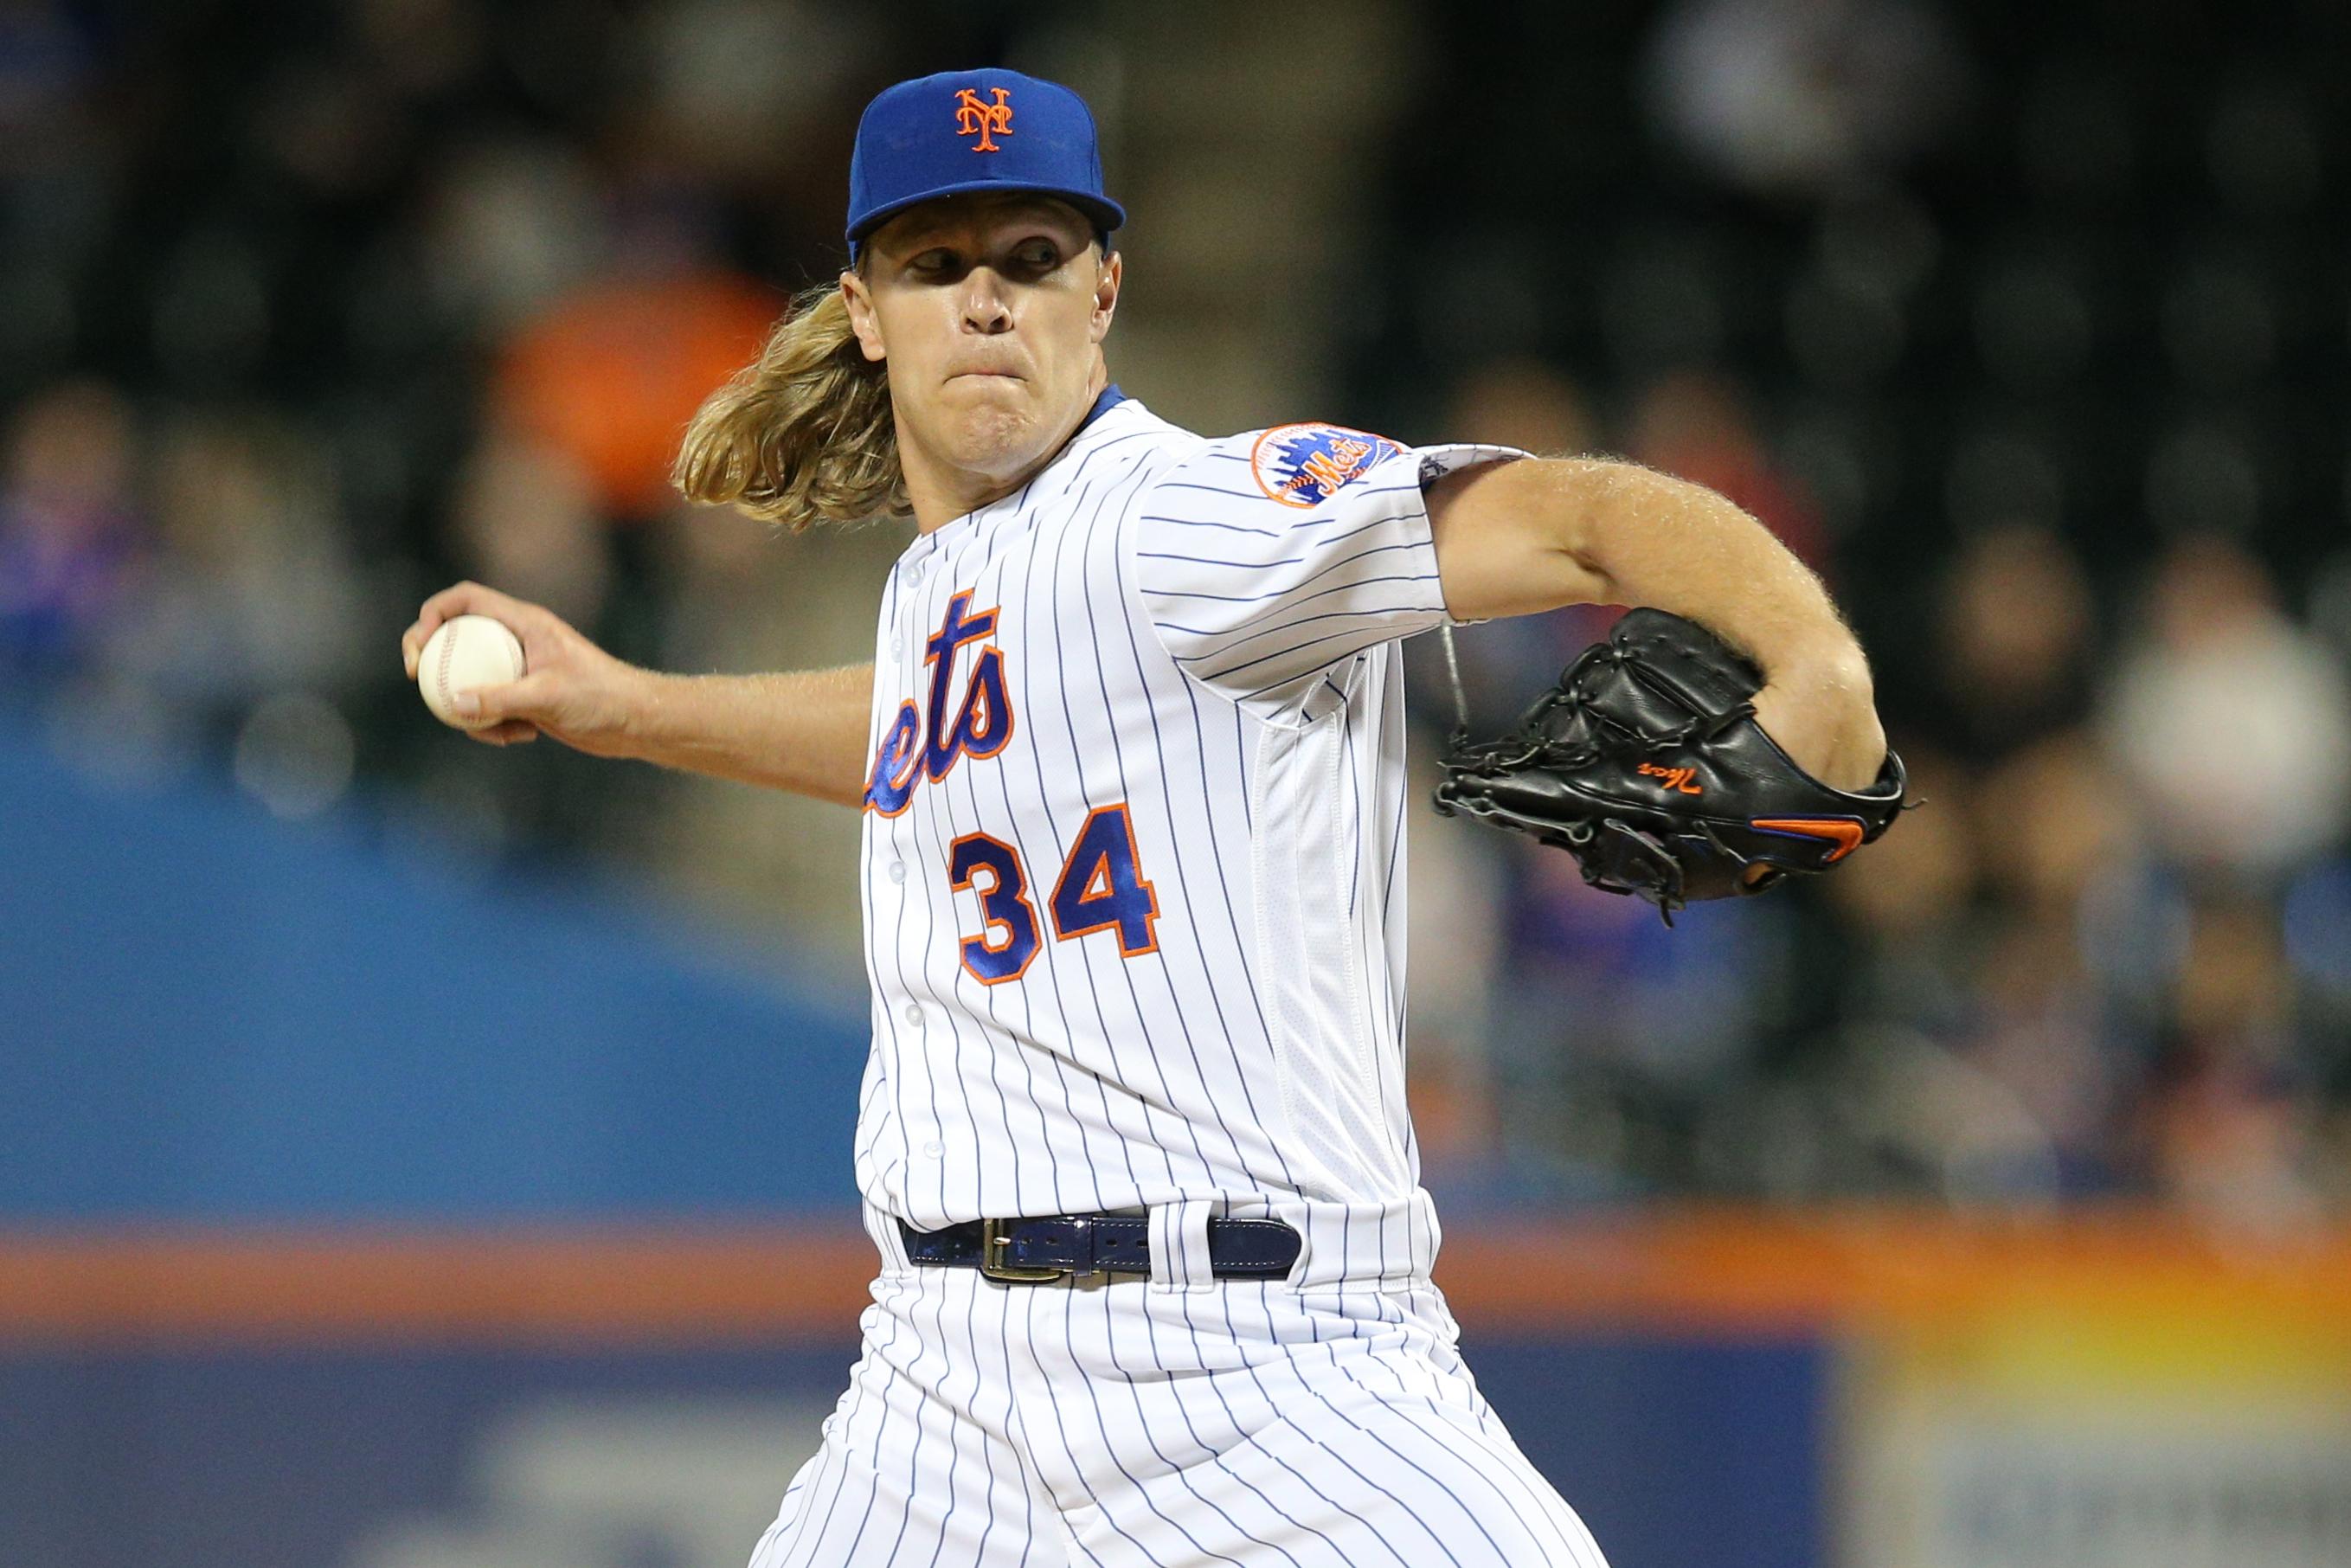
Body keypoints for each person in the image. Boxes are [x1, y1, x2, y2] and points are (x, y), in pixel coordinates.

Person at [401, 68, 1887, 1568]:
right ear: (864, 308)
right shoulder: (948, 581)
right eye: (935, 264)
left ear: (1103, 290)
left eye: (1030, 260)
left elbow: (1572, 515)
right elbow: (929, 734)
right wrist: (619, 705)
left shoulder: (1193, 514)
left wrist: (1812, 655)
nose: (987, 301)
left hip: (1269, 1371)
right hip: (940, 1393)